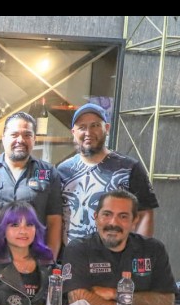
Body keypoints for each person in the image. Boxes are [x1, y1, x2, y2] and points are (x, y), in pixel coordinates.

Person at [57, 103, 159, 245]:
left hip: (116, 255)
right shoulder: (63, 170)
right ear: (73, 132)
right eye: (82, 127)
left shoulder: (129, 168)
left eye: (95, 125)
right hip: (71, 255)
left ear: (107, 128)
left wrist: (139, 252)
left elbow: (145, 214)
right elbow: (55, 217)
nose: (88, 132)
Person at [63, 189, 175, 305]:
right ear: (96, 217)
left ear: (134, 220)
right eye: (107, 214)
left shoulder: (153, 248)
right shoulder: (78, 248)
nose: (113, 223)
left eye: (123, 216)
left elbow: (167, 301)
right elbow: (78, 299)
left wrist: (116, 294)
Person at [0, 112, 63, 259]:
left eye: (27, 135)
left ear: (34, 139)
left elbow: (54, 222)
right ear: (3, 137)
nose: (20, 140)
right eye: (14, 135)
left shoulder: (49, 173)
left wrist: (49, 261)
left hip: (33, 260)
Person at [0, 201, 55, 305]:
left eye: (29, 225)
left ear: (36, 229)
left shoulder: (47, 261)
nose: (23, 231)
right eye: (15, 225)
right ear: (3, 229)